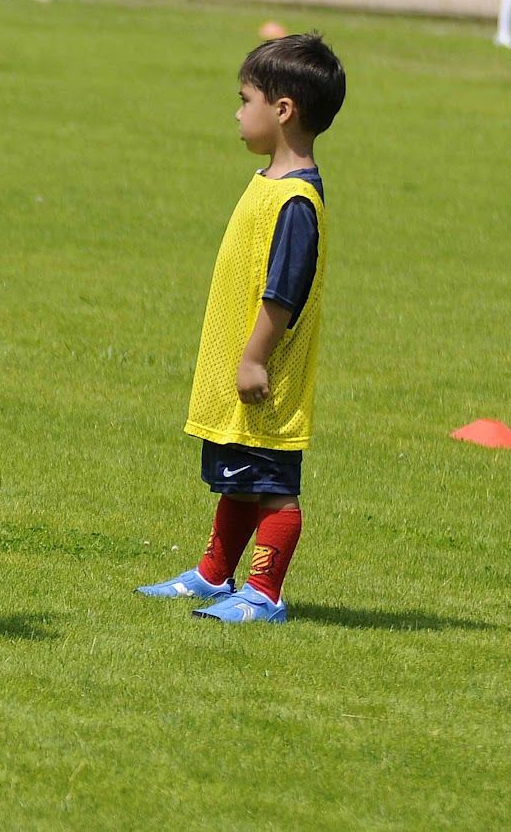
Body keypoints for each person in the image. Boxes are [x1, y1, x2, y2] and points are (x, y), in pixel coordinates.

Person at [136, 33, 345, 624]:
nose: (236, 110)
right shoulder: (269, 182)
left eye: (245, 98)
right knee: (239, 476)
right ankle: (212, 576)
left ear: (283, 110)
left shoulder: (297, 202)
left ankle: (265, 593)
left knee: (273, 480)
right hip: (242, 369)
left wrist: (255, 358)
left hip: (266, 373)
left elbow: (284, 292)